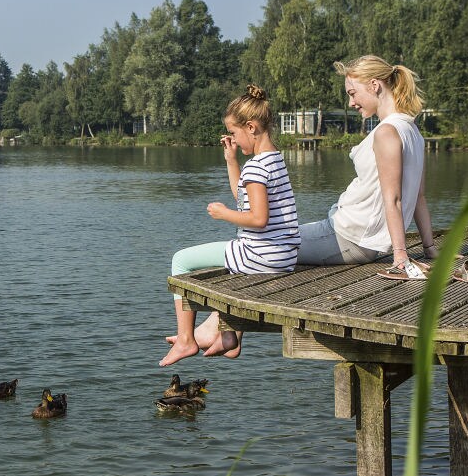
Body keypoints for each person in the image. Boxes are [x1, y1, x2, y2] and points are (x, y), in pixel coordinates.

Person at [187, 56, 439, 352]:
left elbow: (393, 198)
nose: (352, 102)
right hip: (362, 239)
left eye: (352, 93)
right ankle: (229, 332)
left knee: (269, 248)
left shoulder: (386, 132)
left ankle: (218, 327)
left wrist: (400, 258)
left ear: (375, 85)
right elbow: (418, 197)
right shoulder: (413, 129)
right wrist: (430, 248)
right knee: (268, 243)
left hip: (348, 235)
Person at [160, 85, 300, 367]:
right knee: (231, 260)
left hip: (261, 256)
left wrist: (224, 214)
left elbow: (258, 219)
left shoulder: (256, 167)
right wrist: (231, 160)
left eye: (235, 133)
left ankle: (187, 339)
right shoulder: (274, 160)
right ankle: (229, 336)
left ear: (251, 127)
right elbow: (244, 198)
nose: (234, 139)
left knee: (181, 261)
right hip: (284, 256)